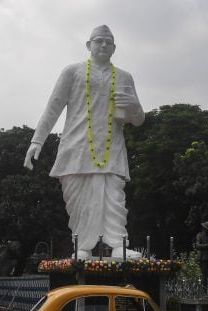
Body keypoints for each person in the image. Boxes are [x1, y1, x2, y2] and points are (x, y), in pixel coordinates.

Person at [24, 25, 145, 259]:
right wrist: (37, 141)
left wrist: (133, 105)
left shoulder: (124, 77)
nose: (103, 45)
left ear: (114, 48)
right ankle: (82, 247)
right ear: (88, 45)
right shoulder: (73, 71)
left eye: (108, 42)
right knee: (78, 200)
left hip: (112, 150)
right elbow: (53, 107)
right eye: (99, 41)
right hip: (77, 147)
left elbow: (138, 119)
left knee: (114, 197)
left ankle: (118, 245)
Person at [194, 221, 208, 295]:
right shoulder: (199, 235)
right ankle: (204, 291)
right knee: (204, 275)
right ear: (204, 228)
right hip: (204, 258)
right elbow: (197, 246)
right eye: (207, 229)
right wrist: (207, 245)